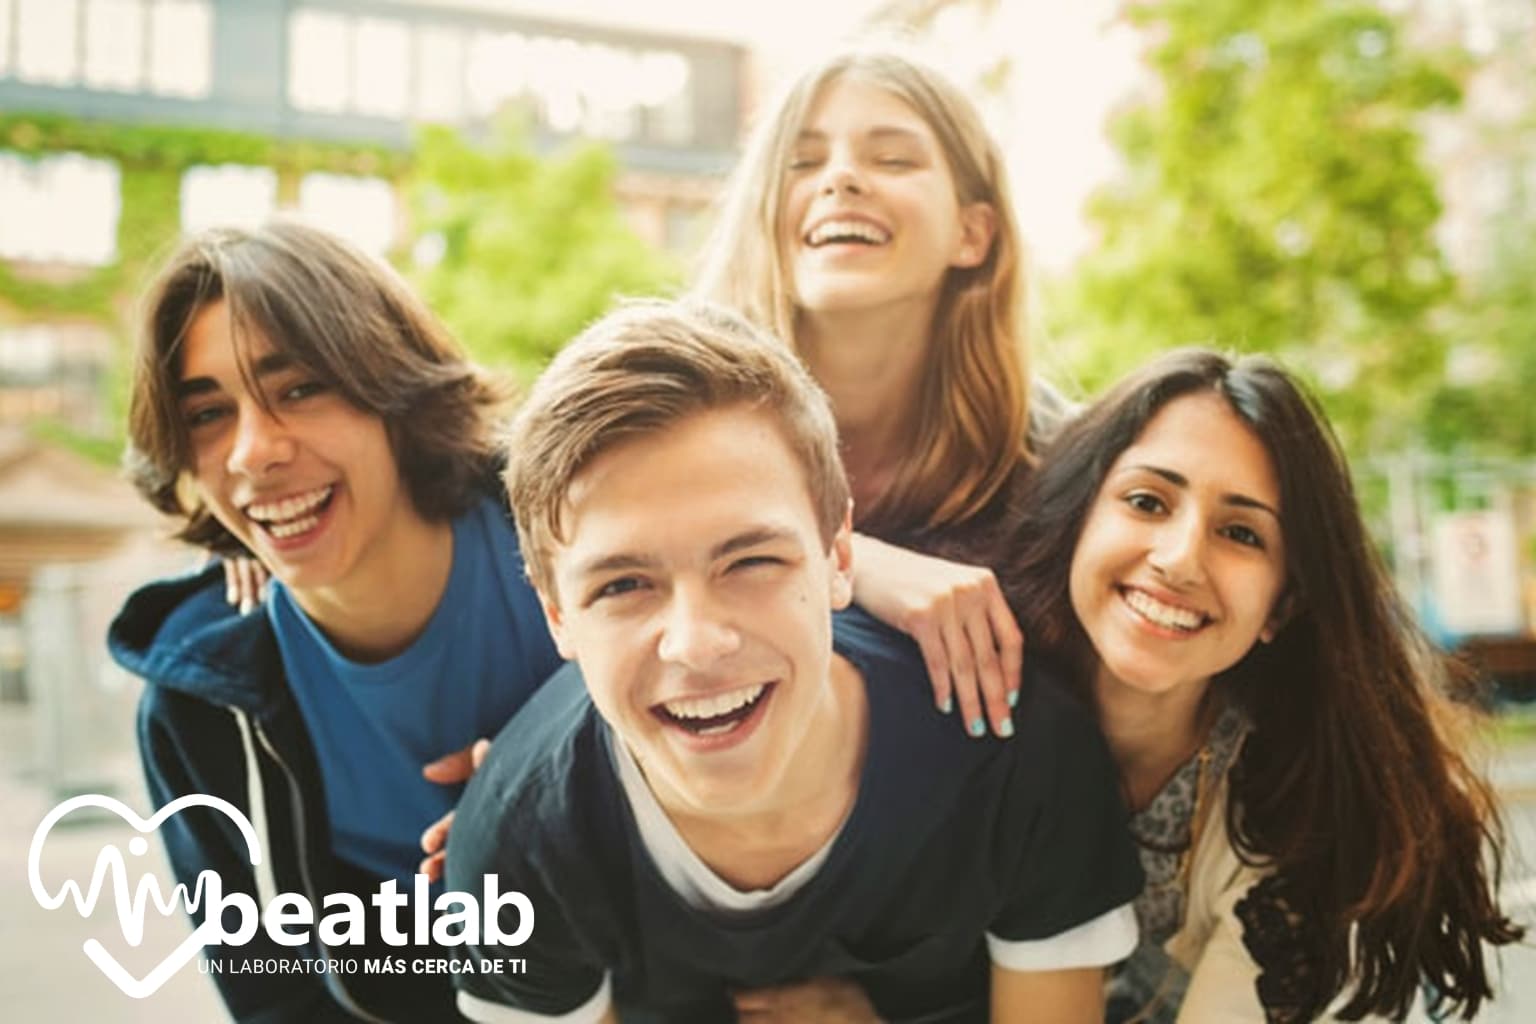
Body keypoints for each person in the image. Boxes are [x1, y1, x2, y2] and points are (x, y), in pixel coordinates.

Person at [445, 300, 1144, 1023]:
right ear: (558, 614)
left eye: (749, 561)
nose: (695, 642)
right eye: (623, 585)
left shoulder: (1018, 757)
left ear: (840, 555)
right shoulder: (517, 848)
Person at [107, 221, 564, 1022]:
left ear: (393, 386)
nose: (253, 451)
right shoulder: (199, 706)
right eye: (209, 412)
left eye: (299, 389)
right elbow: (275, 1002)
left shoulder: (574, 539)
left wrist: (561, 770)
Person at [1002, 349, 1523, 1022]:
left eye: (1241, 533)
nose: (1180, 559)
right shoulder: (963, 694)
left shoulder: (1295, 822)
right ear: (1079, 518)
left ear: (1281, 606)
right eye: (1146, 501)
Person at [694, 45, 1073, 740]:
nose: (840, 178)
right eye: (803, 163)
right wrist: (856, 563)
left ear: (973, 233)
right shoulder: (673, 417)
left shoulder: (1055, 462)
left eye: (893, 160)